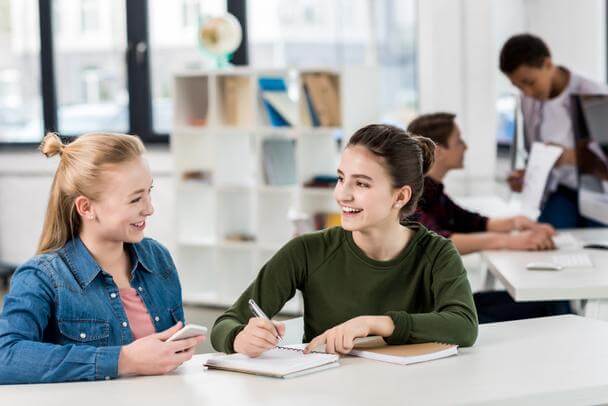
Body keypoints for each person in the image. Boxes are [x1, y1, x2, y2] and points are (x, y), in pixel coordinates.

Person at [211, 124, 478, 357]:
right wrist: (239, 338)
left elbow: (464, 326)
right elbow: (227, 322)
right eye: (341, 179)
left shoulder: (437, 253)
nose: (343, 195)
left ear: (400, 197)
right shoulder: (306, 251)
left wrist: (373, 324)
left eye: (361, 184)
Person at [0, 132, 204, 384]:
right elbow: (5, 357)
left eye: (148, 192)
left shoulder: (157, 258)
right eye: (135, 199)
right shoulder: (42, 277)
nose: (149, 208)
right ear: (86, 207)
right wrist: (123, 360)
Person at [407, 112, 555, 255]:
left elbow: (471, 222)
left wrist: (515, 222)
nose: (465, 147)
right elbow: (435, 242)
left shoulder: (433, 191)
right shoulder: (414, 196)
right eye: (459, 141)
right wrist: (508, 241)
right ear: (437, 151)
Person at [500, 33, 608, 228]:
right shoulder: (527, 101)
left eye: (530, 82)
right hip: (559, 192)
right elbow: (534, 151)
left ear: (548, 64)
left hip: (598, 194)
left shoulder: (594, 94)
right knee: (545, 240)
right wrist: (528, 175)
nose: (527, 93)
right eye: (518, 86)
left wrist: (568, 156)